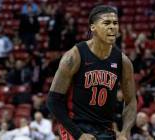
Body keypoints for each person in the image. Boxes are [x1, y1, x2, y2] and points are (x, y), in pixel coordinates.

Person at [47, 5, 137, 140]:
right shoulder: (74, 56)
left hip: (105, 128)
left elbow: (130, 101)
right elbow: (53, 100)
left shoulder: (123, 62)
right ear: (92, 27)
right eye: (106, 23)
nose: (112, 27)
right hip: (76, 126)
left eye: (115, 23)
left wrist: (124, 132)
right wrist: (79, 134)